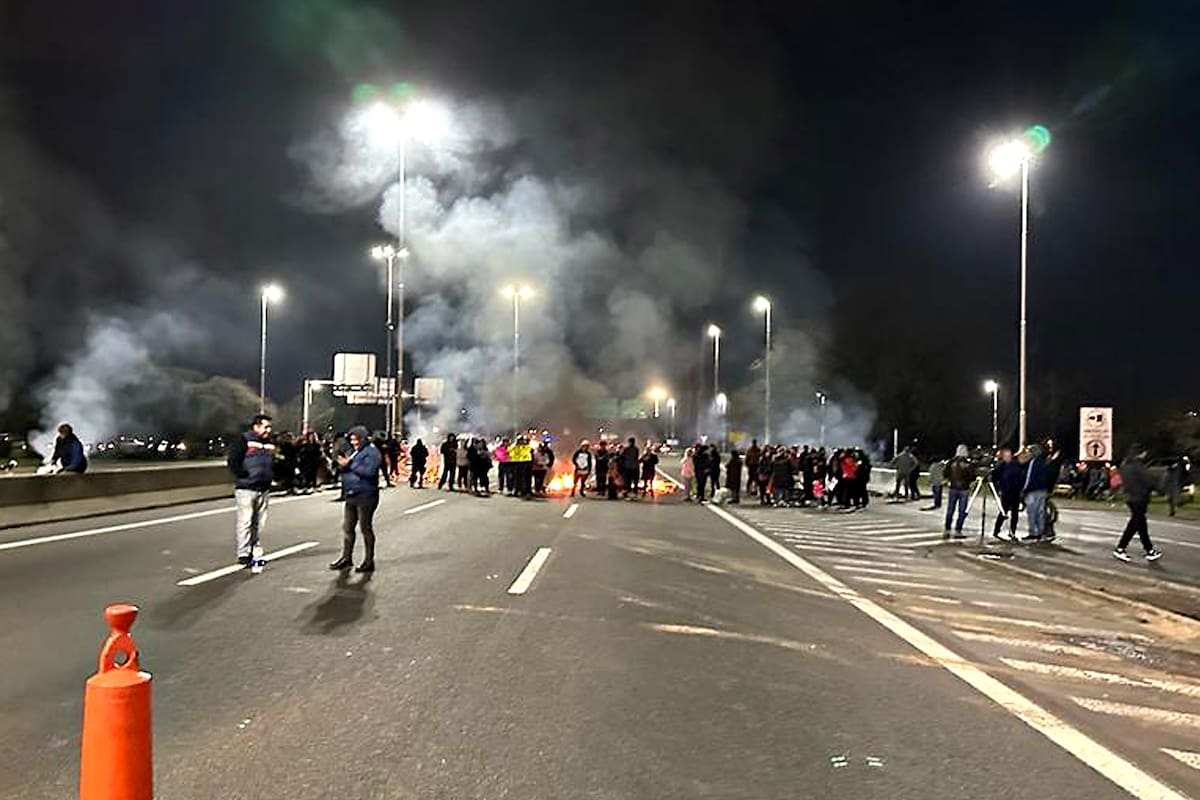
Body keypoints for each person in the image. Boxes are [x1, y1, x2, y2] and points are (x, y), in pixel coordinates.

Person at [330, 426, 382, 572]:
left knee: (365, 528)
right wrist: (341, 464)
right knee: (347, 528)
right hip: (351, 494)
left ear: (363, 438)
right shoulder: (354, 452)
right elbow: (346, 468)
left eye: (356, 439)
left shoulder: (372, 452)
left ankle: (369, 560)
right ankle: (346, 558)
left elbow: (370, 471)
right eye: (351, 439)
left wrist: (350, 464)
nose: (354, 442)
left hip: (366, 495)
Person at [227, 414, 275, 566]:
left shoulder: (269, 443)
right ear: (256, 426)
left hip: (263, 488)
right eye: (266, 426)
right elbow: (233, 460)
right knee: (246, 522)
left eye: (270, 427)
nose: (269, 430)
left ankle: (254, 550)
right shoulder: (244, 440)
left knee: (258, 523)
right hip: (247, 488)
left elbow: (272, 461)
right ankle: (243, 553)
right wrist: (243, 474)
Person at [1114, 445, 1164, 562]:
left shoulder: (1125, 465)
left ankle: (1149, 550)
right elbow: (1147, 481)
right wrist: (1159, 489)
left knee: (1141, 524)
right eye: (1144, 453)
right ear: (1141, 453)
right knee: (1135, 524)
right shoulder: (1138, 466)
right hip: (1139, 497)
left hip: (1130, 496)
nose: (1145, 455)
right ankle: (1120, 548)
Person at [1021, 443, 1056, 542]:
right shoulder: (1044, 462)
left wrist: (1025, 490)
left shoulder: (1033, 463)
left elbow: (1029, 478)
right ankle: (1041, 532)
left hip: (1033, 490)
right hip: (1043, 490)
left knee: (1032, 512)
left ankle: (1033, 533)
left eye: (1029, 451)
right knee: (1040, 512)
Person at [990, 447, 1024, 541]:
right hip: (1005, 493)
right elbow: (994, 476)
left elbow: (1021, 479)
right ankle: (996, 530)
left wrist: (1020, 490)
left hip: (1015, 493)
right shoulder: (1002, 466)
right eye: (1004, 456)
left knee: (1014, 514)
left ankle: (1012, 532)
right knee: (1003, 512)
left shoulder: (1016, 466)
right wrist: (997, 487)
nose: (1006, 458)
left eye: (1007, 456)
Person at [943, 444, 974, 538]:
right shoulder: (968, 464)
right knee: (962, 511)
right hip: (964, 489)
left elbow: (945, 473)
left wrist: (949, 480)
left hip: (953, 487)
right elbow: (971, 476)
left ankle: (947, 529)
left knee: (950, 509)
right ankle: (958, 529)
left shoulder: (950, 462)